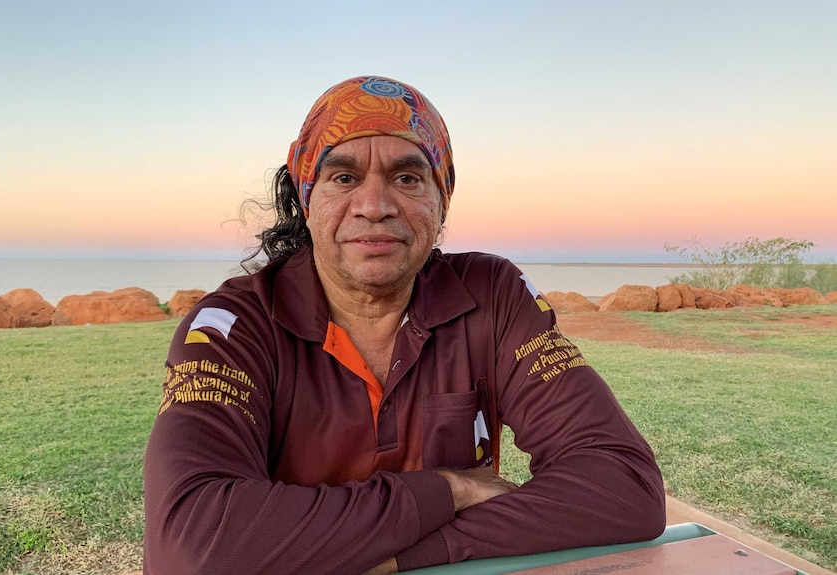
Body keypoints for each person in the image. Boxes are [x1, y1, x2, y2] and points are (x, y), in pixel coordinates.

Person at [143, 76, 665, 575]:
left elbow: (625, 486)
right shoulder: (232, 327)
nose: (374, 206)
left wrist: (417, 553)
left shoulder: (490, 295)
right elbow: (193, 548)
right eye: (344, 177)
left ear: (443, 196)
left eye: (407, 178)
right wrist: (450, 491)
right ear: (307, 195)